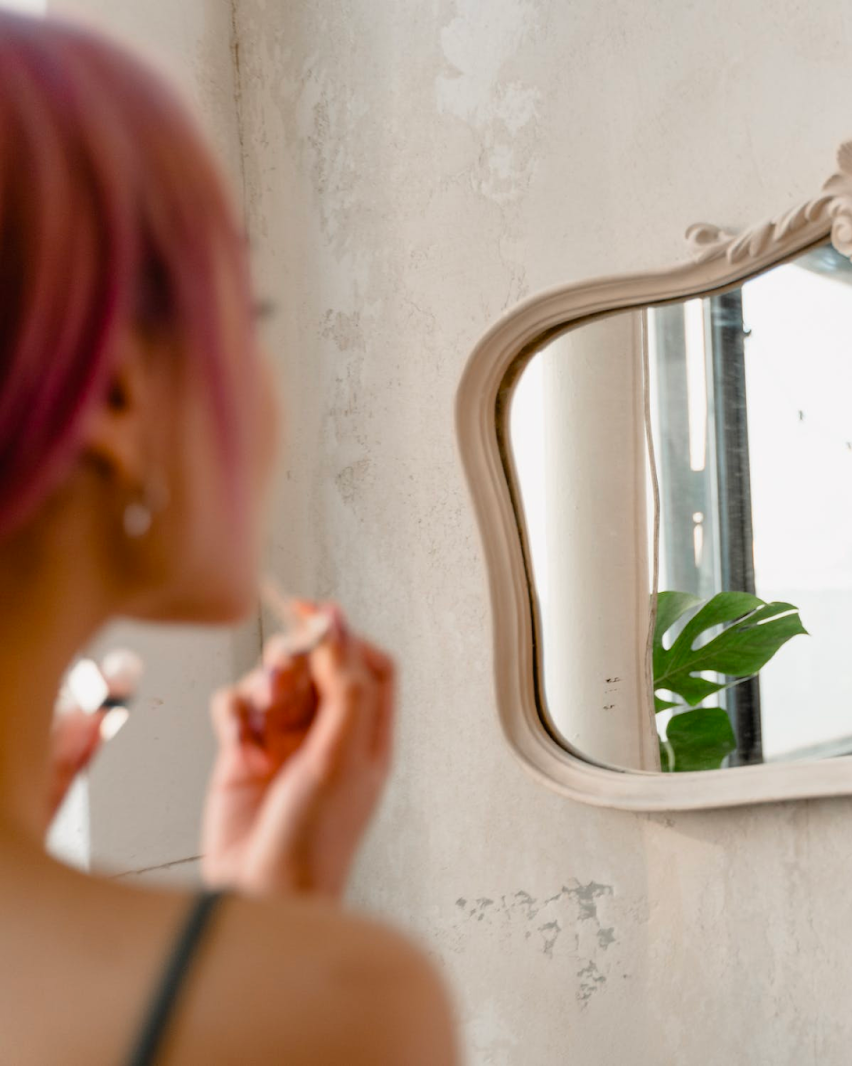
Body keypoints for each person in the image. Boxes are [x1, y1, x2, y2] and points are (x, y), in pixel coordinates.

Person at [0, 14, 456, 1064]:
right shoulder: (340, 1003)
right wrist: (271, 958)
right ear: (115, 394)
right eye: (245, 313)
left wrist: (255, 914)